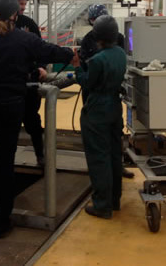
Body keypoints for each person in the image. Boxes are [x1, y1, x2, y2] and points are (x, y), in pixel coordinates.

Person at [0, 0, 73, 238]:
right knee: (5, 164)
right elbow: (49, 51)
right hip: (9, 107)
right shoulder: (23, 39)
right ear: (14, 14)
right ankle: (0, 223)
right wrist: (70, 55)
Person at [72, 15, 127, 219]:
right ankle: (114, 200)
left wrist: (77, 66)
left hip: (97, 110)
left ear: (98, 37)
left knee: (98, 157)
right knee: (114, 154)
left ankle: (102, 206)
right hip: (114, 107)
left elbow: (87, 83)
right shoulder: (121, 54)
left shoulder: (97, 60)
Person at [7, 0, 47, 166]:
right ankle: (7, 161)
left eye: (24, 4)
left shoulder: (29, 25)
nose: (22, 8)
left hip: (28, 84)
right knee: (9, 126)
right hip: (8, 86)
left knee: (32, 121)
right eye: (20, 4)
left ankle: (41, 155)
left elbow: (41, 50)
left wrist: (41, 67)